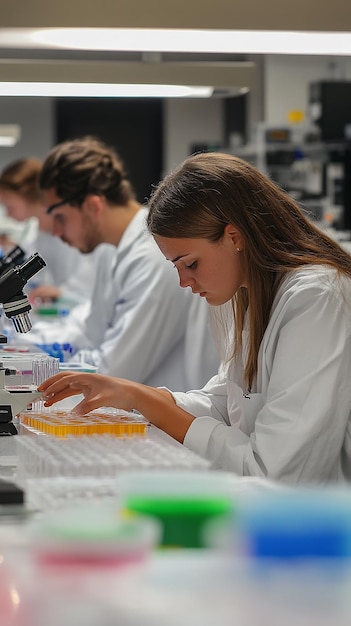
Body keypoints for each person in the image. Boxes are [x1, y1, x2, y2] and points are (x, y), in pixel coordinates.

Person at [39, 151, 351, 485]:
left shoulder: (317, 296)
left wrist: (145, 400)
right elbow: (225, 402)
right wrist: (133, 394)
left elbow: (275, 473)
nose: (184, 282)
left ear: (234, 237)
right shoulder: (248, 291)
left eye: (190, 264)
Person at [32, 137, 218, 390]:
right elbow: (90, 336)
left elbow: (115, 371)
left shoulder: (153, 255)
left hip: (171, 417)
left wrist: (33, 371)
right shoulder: (112, 251)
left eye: (60, 218)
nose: (55, 231)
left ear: (92, 205)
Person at [0, 157, 98, 305]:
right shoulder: (42, 234)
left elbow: (89, 289)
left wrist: (61, 293)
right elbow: (26, 261)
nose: (8, 214)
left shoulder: (71, 231)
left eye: (9, 205)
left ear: (29, 195)